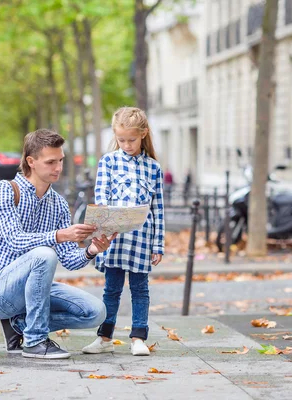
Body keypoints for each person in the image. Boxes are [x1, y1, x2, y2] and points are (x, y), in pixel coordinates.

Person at [0, 129, 115, 359]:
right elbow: (15, 240)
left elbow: (69, 260)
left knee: (95, 312)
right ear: (31, 161)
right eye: (50, 162)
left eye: (60, 161)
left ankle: (19, 325)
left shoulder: (57, 203)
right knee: (44, 254)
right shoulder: (4, 191)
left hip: (33, 289)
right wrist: (60, 235)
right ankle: (35, 341)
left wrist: (92, 249)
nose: (58, 168)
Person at [82, 107, 165, 356]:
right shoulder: (108, 161)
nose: (126, 144)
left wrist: (158, 245)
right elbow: (101, 196)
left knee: (140, 289)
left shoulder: (154, 168)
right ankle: (104, 337)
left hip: (142, 238)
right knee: (112, 289)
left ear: (143, 134)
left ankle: (138, 337)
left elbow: (158, 209)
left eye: (131, 139)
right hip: (114, 239)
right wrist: (101, 229)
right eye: (121, 140)